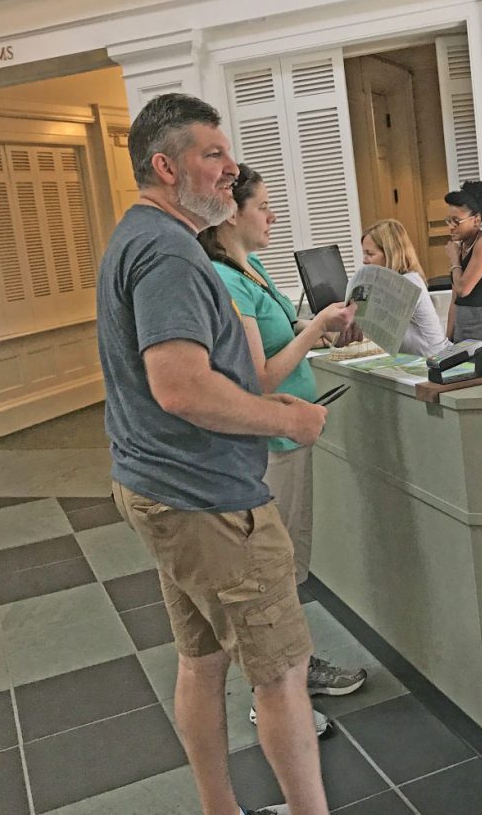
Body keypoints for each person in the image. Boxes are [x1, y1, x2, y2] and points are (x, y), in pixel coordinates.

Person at [97, 93, 330, 815]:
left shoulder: (139, 237)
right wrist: (284, 417)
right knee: (283, 672)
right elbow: (180, 387)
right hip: (208, 500)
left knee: (201, 661)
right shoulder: (169, 252)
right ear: (166, 167)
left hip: (163, 486)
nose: (232, 169)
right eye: (213, 155)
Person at [198, 163, 367, 738]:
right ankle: (270, 693)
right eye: (263, 207)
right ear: (230, 214)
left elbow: (283, 335)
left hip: (292, 435)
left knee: (291, 560)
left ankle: (297, 667)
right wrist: (314, 328)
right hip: (268, 442)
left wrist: (322, 326)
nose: (273, 216)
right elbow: (261, 376)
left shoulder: (255, 266)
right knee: (270, 571)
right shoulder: (227, 280)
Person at [359, 218, 451, 357]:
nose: (364, 260)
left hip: (435, 360)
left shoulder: (409, 282)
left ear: (390, 254)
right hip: (418, 361)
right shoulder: (387, 285)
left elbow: (372, 329)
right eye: (364, 253)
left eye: (370, 254)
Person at [444, 180, 482, 354]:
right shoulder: (461, 247)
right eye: (448, 221)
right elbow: (455, 298)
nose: (450, 227)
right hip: (462, 328)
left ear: (476, 220)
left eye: (456, 221)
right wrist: (447, 339)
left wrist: (455, 260)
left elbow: (464, 289)